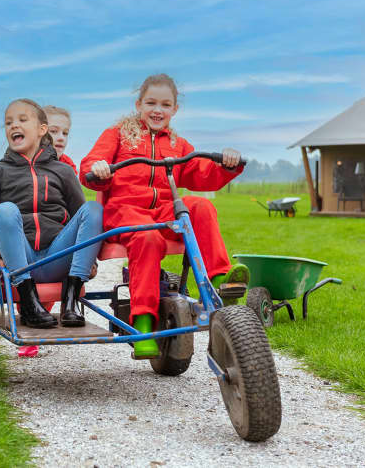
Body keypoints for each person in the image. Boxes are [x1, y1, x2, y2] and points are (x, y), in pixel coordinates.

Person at [81, 74, 247, 358]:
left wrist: (227, 165)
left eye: (165, 104)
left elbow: (201, 173)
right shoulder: (118, 134)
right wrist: (98, 169)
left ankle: (219, 280)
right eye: (151, 103)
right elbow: (90, 165)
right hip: (126, 211)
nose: (158, 110)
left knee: (200, 206)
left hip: (163, 211)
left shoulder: (177, 144)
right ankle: (143, 323)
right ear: (139, 104)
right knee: (147, 237)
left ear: (175, 110)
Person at [0, 99, 103, 328]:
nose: (14, 126)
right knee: (5, 210)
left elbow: (81, 217)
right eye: (8, 122)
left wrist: (90, 261)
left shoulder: (62, 171)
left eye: (22, 120)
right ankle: (30, 304)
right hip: (22, 261)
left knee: (93, 209)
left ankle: (70, 302)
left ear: (42, 129)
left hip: (57, 257)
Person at [43, 105, 77, 173]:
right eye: (53, 131)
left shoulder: (68, 164)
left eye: (65, 133)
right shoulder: (25, 161)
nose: (61, 138)